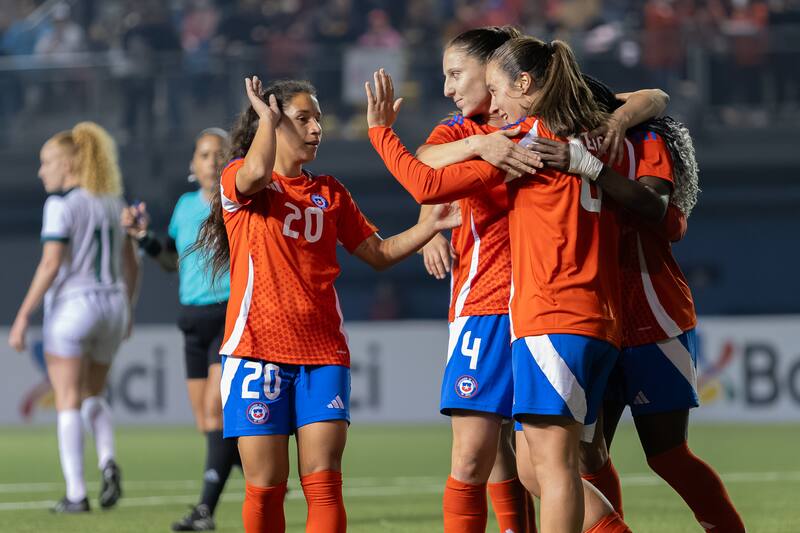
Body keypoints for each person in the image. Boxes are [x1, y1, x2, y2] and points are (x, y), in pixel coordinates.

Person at [365, 34, 639, 530]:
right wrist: (435, 214)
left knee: (557, 463)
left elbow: (424, 178)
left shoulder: (524, 138)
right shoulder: (562, 125)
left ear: (510, 79)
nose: (449, 88)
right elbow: (429, 163)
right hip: (540, 309)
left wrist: (381, 132)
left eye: (460, 75)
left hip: (544, 310)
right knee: (516, 461)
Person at [193, 76, 463, 533]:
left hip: (322, 354)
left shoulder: (331, 193)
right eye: (303, 119)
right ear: (274, 123)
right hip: (256, 351)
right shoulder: (241, 180)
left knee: (324, 484)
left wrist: (428, 227)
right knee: (266, 486)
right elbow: (255, 173)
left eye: (317, 119)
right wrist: (265, 120)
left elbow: (377, 253)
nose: (317, 128)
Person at [541, 80, 746, 532]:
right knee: (588, 454)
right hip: (590, 320)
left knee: (667, 454)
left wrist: (591, 166)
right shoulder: (557, 146)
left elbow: (656, 207)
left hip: (653, 316)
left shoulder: (644, 139)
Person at [8, 122, 139, 513]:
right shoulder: (115, 203)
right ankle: (107, 459)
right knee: (92, 396)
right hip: (113, 305)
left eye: (46, 162)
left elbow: (51, 264)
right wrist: (129, 309)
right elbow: (131, 265)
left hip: (73, 307)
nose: (41, 171)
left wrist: (22, 315)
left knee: (67, 400)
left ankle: (76, 494)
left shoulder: (60, 206)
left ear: (68, 164)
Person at [121, 127, 239, 531]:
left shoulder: (235, 204)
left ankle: (205, 511)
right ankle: (260, 465)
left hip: (227, 315)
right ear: (192, 164)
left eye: (219, 154)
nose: (212, 161)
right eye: (204, 155)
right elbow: (172, 261)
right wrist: (143, 238)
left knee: (215, 412)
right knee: (207, 423)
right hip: (192, 320)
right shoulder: (185, 206)